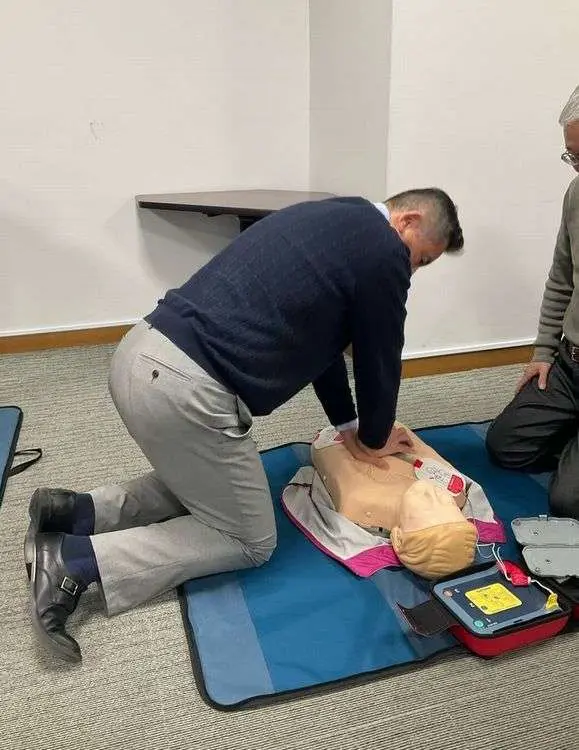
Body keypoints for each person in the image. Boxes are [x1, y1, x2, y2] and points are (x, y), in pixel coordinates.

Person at [25, 188, 463, 662]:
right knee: (249, 538)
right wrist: (376, 440)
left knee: (220, 485)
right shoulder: (384, 251)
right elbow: (381, 357)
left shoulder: (336, 217)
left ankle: (77, 512)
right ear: (408, 221)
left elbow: (325, 349)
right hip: (183, 392)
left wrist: (350, 425)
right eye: (421, 259)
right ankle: (76, 561)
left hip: (141, 354)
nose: (412, 271)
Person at [486, 85, 579, 519]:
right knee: (506, 446)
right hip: (571, 363)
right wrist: (543, 352)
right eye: (573, 157)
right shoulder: (576, 194)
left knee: (568, 502)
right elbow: (562, 278)